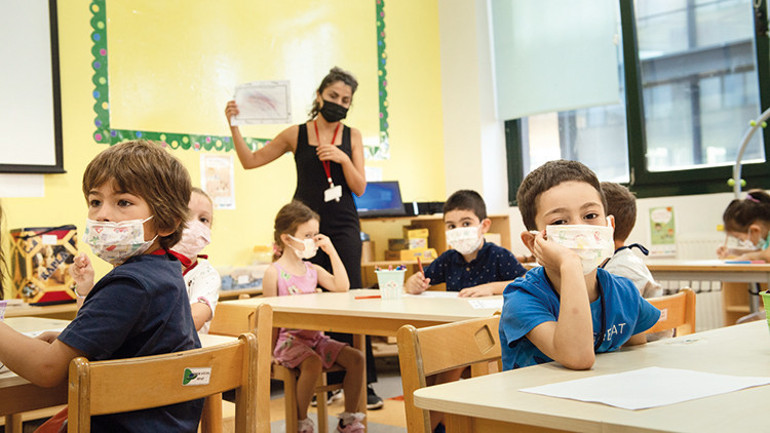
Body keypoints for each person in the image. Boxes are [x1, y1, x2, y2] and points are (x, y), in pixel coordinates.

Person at [1, 140, 201, 432]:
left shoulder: (129, 283)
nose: (101, 214)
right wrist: (79, 339)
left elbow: (47, 370)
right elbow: (142, 341)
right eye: (95, 201)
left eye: (123, 202)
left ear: (167, 222)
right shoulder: (166, 270)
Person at [224, 66, 383, 408]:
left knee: (349, 295)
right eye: (333, 96)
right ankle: (308, 366)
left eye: (346, 100)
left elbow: (359, 186)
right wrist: (234, 126)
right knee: (305, 293)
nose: (339, 103)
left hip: (342, 224)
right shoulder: (296, 134)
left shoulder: (351, 136)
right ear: (319, 95)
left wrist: (342, 158)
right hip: (304, 226)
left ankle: (360, 382)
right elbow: (251, 161)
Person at [499, 160, 660, 371]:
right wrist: (570, 265)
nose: (579, 229)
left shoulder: (624, 293)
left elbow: (636, 360)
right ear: (533, 242)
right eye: (559, 222)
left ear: (609, 226)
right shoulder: (522, 299)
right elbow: (577, 358)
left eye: (590, 216)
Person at [265, 201, 365, 433]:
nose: (313, 241)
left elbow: (342, 285)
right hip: (288, 342)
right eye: (307, 235)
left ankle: (348, 420)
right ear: (287, 239)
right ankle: (301, 422)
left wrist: (332, 250)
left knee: (357, 359)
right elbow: (269, 319)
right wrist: (267, 354)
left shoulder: (313, 270)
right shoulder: (274, 273)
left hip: (317, 340)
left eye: (315, 235)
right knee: (313, 364)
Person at [70, 187, 220, 333]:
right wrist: (85, 287)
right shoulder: (137, 265)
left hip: (187, 355)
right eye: (187, 215)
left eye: (203, 219)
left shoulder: (205, 275)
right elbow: (93, 324)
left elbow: (191, 322)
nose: (194, 224)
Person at [405, 189, 527, 297]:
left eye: (466, 223)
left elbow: (526, 282)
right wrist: (413, 283)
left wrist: (491, 288)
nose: (459, 230)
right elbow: (419, 278)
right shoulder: (448, 259)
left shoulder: (498, 255)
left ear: (484, 226)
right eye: (452, 226)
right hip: (459, 318)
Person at [600, 182, 662, 299]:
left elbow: (618, 315)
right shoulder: (622, 261)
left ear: (609, 224)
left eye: (590, 216)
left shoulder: (619, 270)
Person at [717, 189, 770, 261]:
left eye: (740, 239)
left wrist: (749, 257)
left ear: (755, 230)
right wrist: (732, 251)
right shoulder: (766, 237)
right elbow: (761, 253)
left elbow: (767, 255)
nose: (742, 241)